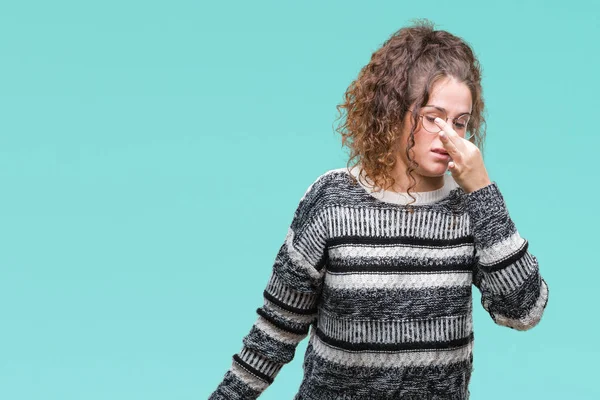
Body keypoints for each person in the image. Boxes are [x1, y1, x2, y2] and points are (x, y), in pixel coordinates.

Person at [208, 19, 549, 400]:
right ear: (394, 110)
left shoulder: (473, 209)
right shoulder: (331, 201)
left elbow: (524, 310)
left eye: (460, 122)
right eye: (433, 117)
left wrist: (483, 191)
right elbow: (274, 332)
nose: (449, 135)